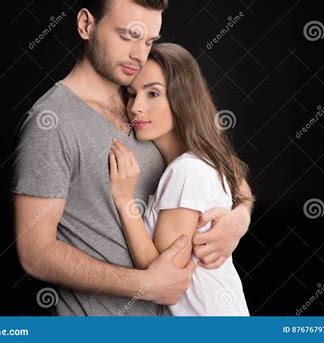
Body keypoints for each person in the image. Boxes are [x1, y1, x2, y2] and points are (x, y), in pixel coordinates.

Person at [12, 0, 254, 316]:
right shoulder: (51, 122)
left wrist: (237, 221)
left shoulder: (148, 106)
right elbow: (35, 253)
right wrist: (145, 285)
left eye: (149, 41)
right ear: (86, 25)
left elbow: (224, 171)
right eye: (128, 36)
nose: (139, 54)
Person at [109, 43, 254, 315]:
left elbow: (165, 277)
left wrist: (123, 200)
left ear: (182, 98)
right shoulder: (204, 160)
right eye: (131, 94)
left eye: (152, 93)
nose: (135, 107)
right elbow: (241, 186)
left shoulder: (187, 170)